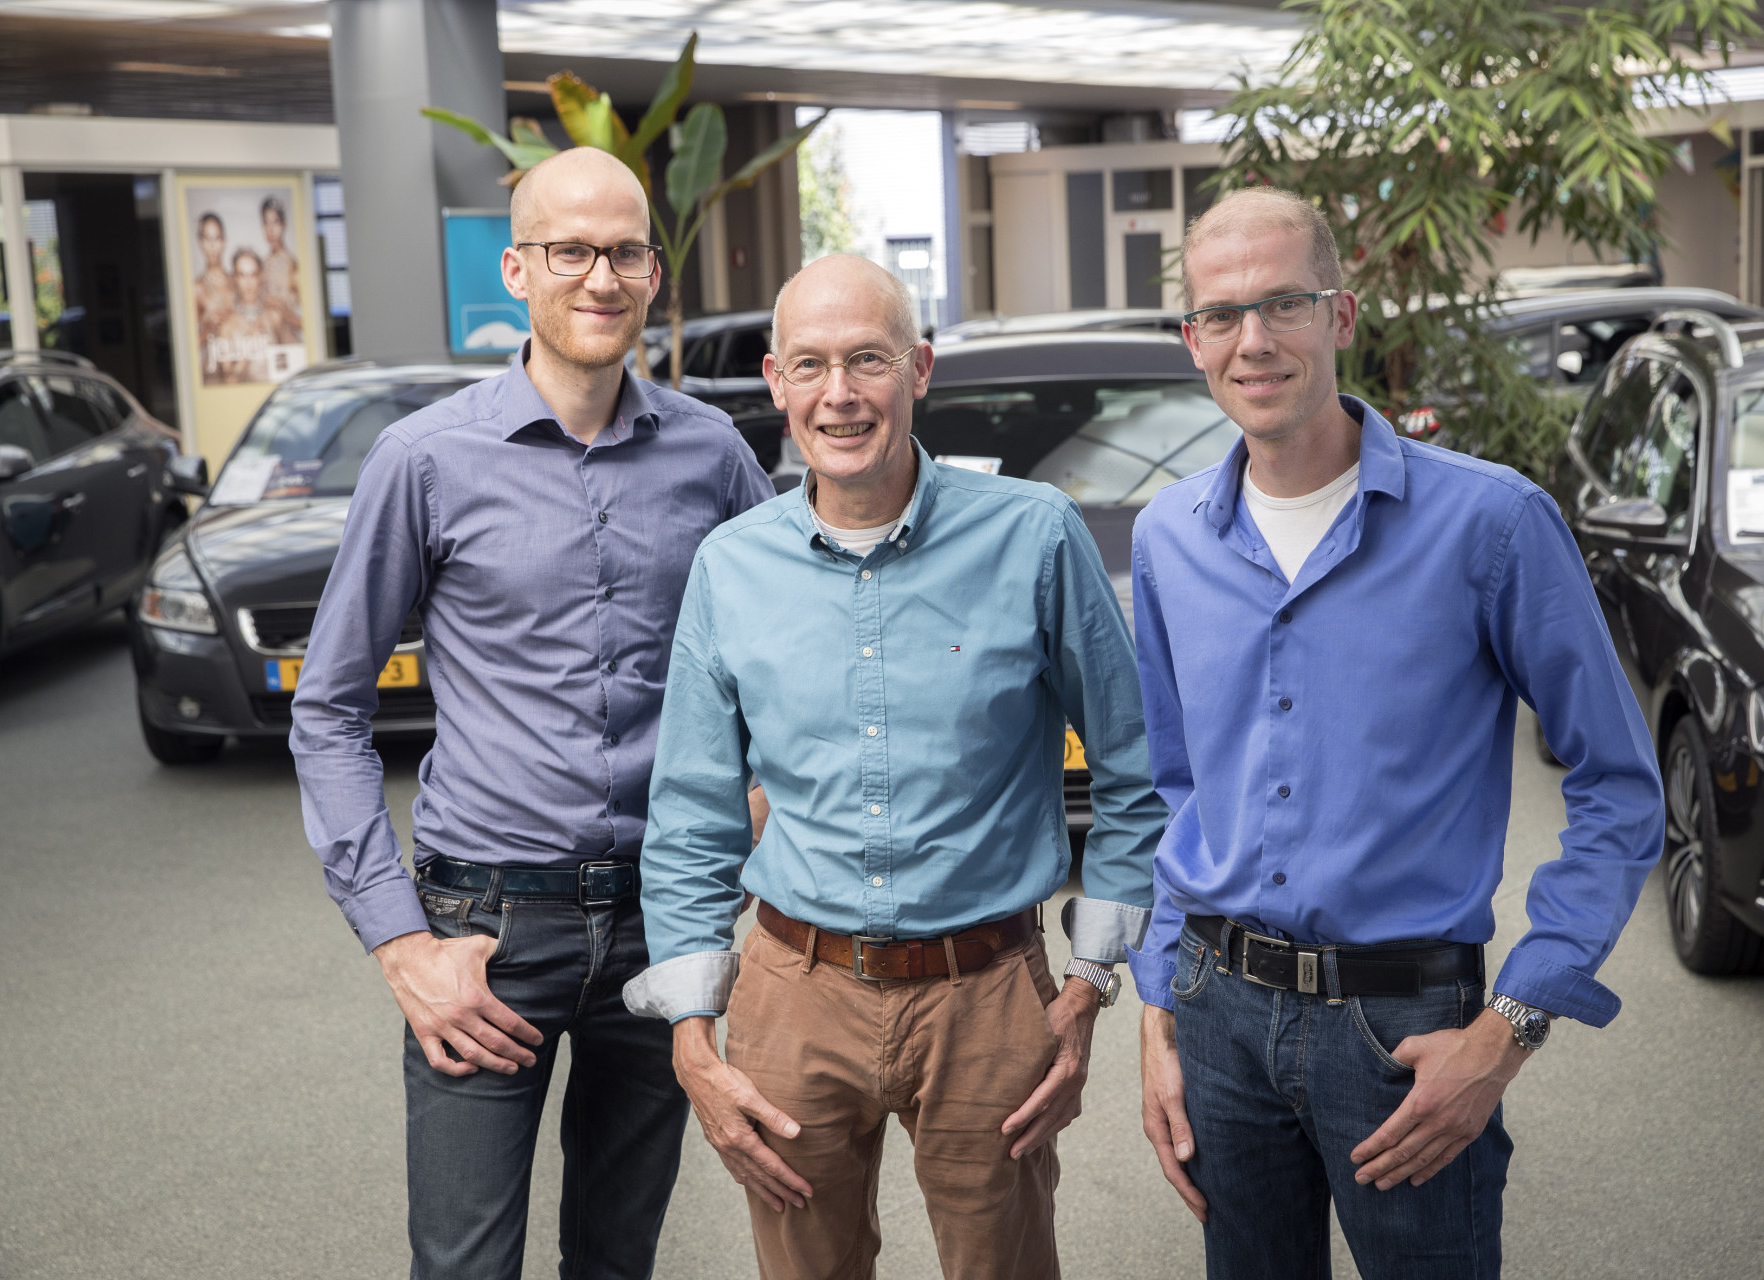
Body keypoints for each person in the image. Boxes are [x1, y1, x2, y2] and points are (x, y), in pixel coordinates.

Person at [1129, 188, 1664, 1279]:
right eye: (1221, 314)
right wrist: (1157, 1005)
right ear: (1192, 340)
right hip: (1214, 1008)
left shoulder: (1492, 522)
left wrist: (1509, 1028)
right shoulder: (1165, 538)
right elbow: (1174, 787)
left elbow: (1618, 783)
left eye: (1284, 303)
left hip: (1405, 1024)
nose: (1252, 340)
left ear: (1341, 314)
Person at [624, 253, 1166, 1280]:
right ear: (776, 383)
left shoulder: (1034, 535)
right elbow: (692, 811)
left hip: (987, 990)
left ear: (918, 368)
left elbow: (1136, 769)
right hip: (793, 992)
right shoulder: (731, 567)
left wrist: (1091, 981)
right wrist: (692, 1033)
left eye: (867, 359)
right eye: (811, 364)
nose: (840, 393)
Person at [290, 147, 774, 1280]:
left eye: (626, 252)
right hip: (485, 931)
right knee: (464, 1265)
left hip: (664, 915)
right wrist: (400, 942)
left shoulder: (711, 454)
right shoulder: (423, 460)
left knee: (616, 1259)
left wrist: (759, 802)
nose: (601, 277)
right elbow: (328, 710)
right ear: (517, 270)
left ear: (654, 272)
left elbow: (785, 655)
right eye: (571, 251)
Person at [209, 249, 301, 384]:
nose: (248, 282)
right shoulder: (228, 325)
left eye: (253, 275)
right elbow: (230, 381)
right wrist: (249, 347)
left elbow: (297, 361)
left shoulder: (273, 316)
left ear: (261, 277)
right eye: (242, 275)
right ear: (234, 278)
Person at [192, 212, 232, 374]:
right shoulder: (197, 288)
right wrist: (208, 327)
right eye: (207, 239)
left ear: (224, 241)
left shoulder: (238, 280)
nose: (213, 246)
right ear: (200, 242)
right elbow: (189, 345)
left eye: (217, 238)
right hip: (213, 370)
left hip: (241, 365)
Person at [260, 195, 303, 316]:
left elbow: (307, 313)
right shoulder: (263, 264)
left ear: (283, 225)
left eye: (275, 222)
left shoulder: (292, 264)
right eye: (266, 223)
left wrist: (284, 311)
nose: (271, 229)